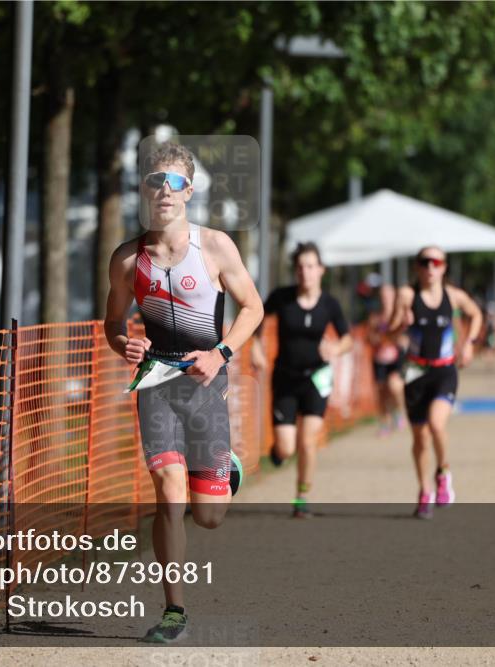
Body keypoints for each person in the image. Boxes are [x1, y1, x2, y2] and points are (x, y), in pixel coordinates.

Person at [103, 142, 263, 643]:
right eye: (154, 182)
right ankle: (174, 611)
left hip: (206, 385)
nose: (163, 192)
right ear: (144, 191)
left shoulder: (215, 246)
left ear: (188, 191)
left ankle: (224, 466)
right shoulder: (128, 259)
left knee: (209, 516)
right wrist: (124, 343)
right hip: (156, 384)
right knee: (169, 492)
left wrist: (221, 354)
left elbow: (253, 308)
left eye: (173, 183)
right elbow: (113, 324)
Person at [251, 242, 353, 518]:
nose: (305, 272)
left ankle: (301, 496)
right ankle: (279, 452)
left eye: (310, 266)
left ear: (321, 270)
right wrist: (257, 346)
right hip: (285, 378)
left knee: (308, 442)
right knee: (286, 447)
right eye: (300, 267)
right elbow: (256, 316)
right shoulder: (281, 297)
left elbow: (347, 339)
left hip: (316, 380)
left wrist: (335, 349)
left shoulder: (330, 304)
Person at [388, 246, 482, 519]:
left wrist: (469, 344)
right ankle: (424, 491)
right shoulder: (407, 295)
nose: (431, 267)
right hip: (415, 371)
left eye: (436, 262)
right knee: (419, 438)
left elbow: (475, 314)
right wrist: (401, 326)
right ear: (417, 267)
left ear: (444, 267)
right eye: (425, 262)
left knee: (436, 424)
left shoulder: (452, 296)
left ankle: (443, 472)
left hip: (444, 370)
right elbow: (390, 335)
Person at [367, 282, 406, 436]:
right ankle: (385, 423)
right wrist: (376, 338)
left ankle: (398, 411)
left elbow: (405, 335)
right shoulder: (375, 317)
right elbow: (369, 337)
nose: (385, 299)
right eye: (383, 296)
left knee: (395, 386)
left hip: (396, 357)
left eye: (388, 295)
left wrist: (399, 339)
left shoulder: (400, 315)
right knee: (382, 393)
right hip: (380, 358)